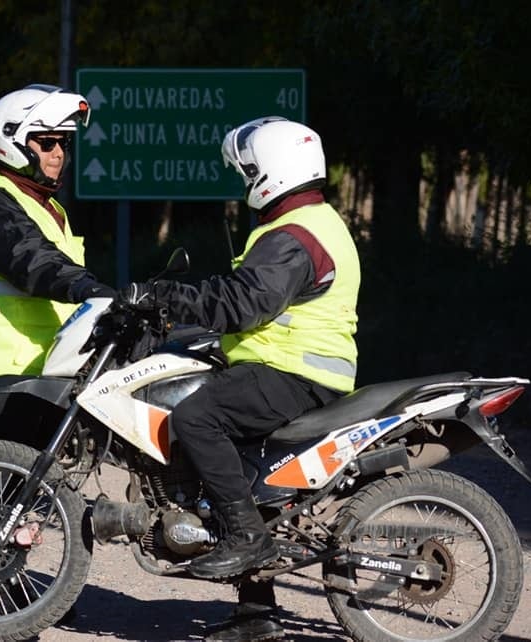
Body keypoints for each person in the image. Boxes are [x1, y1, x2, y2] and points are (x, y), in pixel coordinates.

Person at [124, 117, 361, 641]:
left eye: (247, 170)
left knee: (196, 416)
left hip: (295, 372)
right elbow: (249, 301)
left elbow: (244, 303)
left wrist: (167, 298)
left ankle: (247, 537)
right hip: (285, 365)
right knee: (248, 479)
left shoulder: (296, 235)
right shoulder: (305, 223)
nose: (243, 181)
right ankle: (256, 617)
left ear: (273, 170)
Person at [0, 83, 115, 445]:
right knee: (1, 489)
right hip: (7, 371)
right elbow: (30, 259)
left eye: (63, 143)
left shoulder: (48, 206)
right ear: (12, 141)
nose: (59, 154)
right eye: (46, 143)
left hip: (50, 364)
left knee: (40, 488)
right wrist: (88, 289)